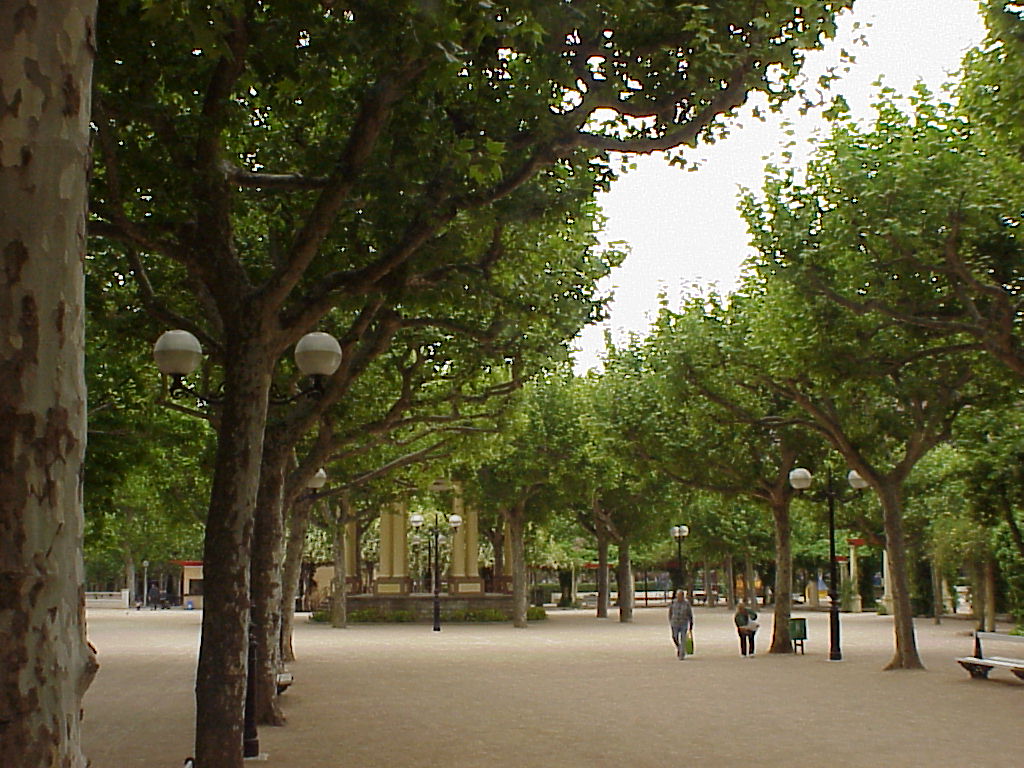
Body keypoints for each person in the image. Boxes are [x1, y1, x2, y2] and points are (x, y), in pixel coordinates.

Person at [668, 590, 694, 660]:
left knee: (683, 639)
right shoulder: (673, 602)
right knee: (674, 637)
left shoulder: (687, 603)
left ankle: (682, 654)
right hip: (675, 623)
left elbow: (690, 613)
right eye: (678, 595)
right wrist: (671, 621)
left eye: (680, 595)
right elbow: (670, 612)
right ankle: (679, 648)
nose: (679, 597)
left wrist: (691, 623)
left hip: (683, 623)